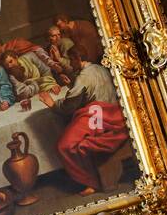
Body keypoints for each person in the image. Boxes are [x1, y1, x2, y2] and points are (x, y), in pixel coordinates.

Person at [55, 49, 130, 196]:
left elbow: (69, 105)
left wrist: (52, 104)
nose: (70, 63)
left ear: (78, 58)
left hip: (98, 115)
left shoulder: (83, 77)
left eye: (71, 60)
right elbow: (90, 90)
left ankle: (90, 182)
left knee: (64, 145)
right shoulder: (100, 68)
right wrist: (72, 85)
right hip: (114, 113)